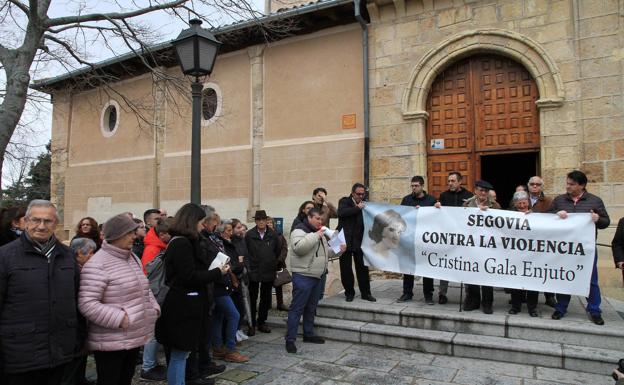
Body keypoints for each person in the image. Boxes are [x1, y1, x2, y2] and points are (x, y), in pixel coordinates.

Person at [0, 200, 82, 385]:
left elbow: (76, 299)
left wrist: (78, 339)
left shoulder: (68, 255)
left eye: (48, 221)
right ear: (26, 221)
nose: (41, 226)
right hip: (19, 354)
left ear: (56, 224)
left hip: (61, 351)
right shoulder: (5, 256)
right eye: (36, 220)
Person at [78, 213, 160, 385]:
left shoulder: (131, 257)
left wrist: (153, 307)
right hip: (111, 341)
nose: (134, 235)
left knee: (125, 379)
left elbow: (143, 286)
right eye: (129, 232)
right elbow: (87, 303)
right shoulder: (97, 264)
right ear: (116, 235)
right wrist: (120, 318)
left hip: (133, 336)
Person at [155, 203, 228, 385]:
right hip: (182, 307)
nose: (203, 225)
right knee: (179, 354)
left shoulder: (186, 241)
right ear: (192, 221)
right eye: (201, 221)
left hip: (188, 304)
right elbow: (188, 276)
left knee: (184, 353)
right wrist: (217, 272)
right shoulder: (181, 243)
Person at [550, 170, 610, 325]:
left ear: (582, 185)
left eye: (572, 184)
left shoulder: (595, 201)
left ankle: (594, 310)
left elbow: (606, 222)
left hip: (586, 250)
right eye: (567, 183)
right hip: (565, 248)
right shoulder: (559, 200)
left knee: (591, 280)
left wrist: (598, 219)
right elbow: (547, 217)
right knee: (564, 277)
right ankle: (561, 307)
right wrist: (557, 213)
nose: (568, 186)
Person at [285, 208, 346, 353]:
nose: (321, 222)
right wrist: (317, 235)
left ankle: (308, 334)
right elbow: (299, 248)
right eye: (318, 219)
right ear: (309, 218)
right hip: (303, 275)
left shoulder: (320, 235)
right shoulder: (299, 231)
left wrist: (339, 249)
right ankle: (290, 340)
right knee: (297, 308)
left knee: (311, 307)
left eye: (322, 219)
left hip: (317, 276)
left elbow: (325, 253)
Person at [139, 219, 173, 382]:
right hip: (154, 294)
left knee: (155, 332)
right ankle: (147, 367)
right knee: (151, 333)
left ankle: (152, 363)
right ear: (162, 235)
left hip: (157, 293)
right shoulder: (153, 249)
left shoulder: (159, 247)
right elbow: (148, 274)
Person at [211, 220, 249, 363]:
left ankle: (218, 347)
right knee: (234, 315)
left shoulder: (226, 242)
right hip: (219, 285)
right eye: (227, 230)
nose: (230, 232)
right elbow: (229, 264)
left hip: (225, 283)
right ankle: (230, 349)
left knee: (218, 316)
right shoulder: (216, 243)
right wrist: (238, 264)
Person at [62, 238, 97, 385]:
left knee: (81, 353)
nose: (93, 257)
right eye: (90, 253)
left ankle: (80, 379)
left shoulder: (82, 268)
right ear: (78, 254)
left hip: (80, 321)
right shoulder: (71, 271)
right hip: (72, 321)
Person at [463, 180, 501, 314]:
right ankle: (473, 301)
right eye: (481, 190)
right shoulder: (467, 204)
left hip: (488, 246)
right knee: (472, 273)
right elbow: (461, 221)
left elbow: (500, 225)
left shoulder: (495, 206)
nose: (483, 193)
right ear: (475, 191)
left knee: (486, 275)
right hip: (472, 245)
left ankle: (487, 303)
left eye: (485, 191)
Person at [396, 176, 437, 304]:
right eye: (412, 186)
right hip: (410, 238)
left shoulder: (431, 200)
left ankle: (428, 294)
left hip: (425, 240)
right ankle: (407, 293)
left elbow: (436, 218)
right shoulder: (407, 200)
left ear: (422, 186)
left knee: (427, 267)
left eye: (416, 186)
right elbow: (401, 216)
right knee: (408, 267)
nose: (413, 188)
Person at [434, 171, 472, 304]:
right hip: (448, 236)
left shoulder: (469, 196)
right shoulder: (443, 195)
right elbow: (439, 215)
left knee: (466, 265)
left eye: (453, 181)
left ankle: (469, 294)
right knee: (445, 265)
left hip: (464, 237)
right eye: (449, 181)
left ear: (460, 182)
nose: (450, 183)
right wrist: (437, 207)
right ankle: (442, 293)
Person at [337, 183, 375, 302]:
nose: (361, 196)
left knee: (363, 268)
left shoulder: (366, 204)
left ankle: (366, 293)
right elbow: (341, 213)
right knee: (346, 268)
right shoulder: (344, 201)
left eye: (363, 194)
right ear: (353, 193)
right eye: (358, 194)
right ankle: (349, 293)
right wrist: (357, 208)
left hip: (359, 241)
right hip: (344, 240)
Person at [245, 210, 280, 334]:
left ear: (266, 221)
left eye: (263, 220)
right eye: (258, 220)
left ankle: (262, 322)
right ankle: (252, 324)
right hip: (254, 270)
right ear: (255, 221)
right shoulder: (249, 235)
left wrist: (272, 263)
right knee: (252, 298)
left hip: (268, 270)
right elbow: (246, 252)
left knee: (266, 298)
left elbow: (277, 250)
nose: (261, 222)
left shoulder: (273, 234)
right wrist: (249, 268)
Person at [507, 191, 539, 317]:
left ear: (528, 202)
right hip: (515, 254)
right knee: (516, 280)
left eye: (524, 202)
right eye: (519, 203)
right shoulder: (509, 215)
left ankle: (532, 308)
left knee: (532, 281)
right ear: (515, 204)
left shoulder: (536, 215)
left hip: (532, 254)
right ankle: (516, 306)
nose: (522, 205)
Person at [527, 176, 556, 307]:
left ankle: (549, 296)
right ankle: (522, 296)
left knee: (545, 268)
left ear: (541, 187)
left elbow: (552, 218)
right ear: (528, 185)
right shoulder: (520, 198)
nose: (534, 186)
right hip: (525, 241)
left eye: (537, 184)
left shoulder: (549, 201)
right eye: (532, 184)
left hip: (542, 240)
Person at [267, 216, 290, 311]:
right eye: (267, 222)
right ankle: (267, 304)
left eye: (270, 222)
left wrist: (280, 260)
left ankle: (280, 304)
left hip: (278, 264)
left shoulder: (280, 235)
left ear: (273, 224)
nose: (268, 224)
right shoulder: (263, 236)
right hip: (267, 264)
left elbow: (284, 248)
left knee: (279, 284)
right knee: (267, 285)